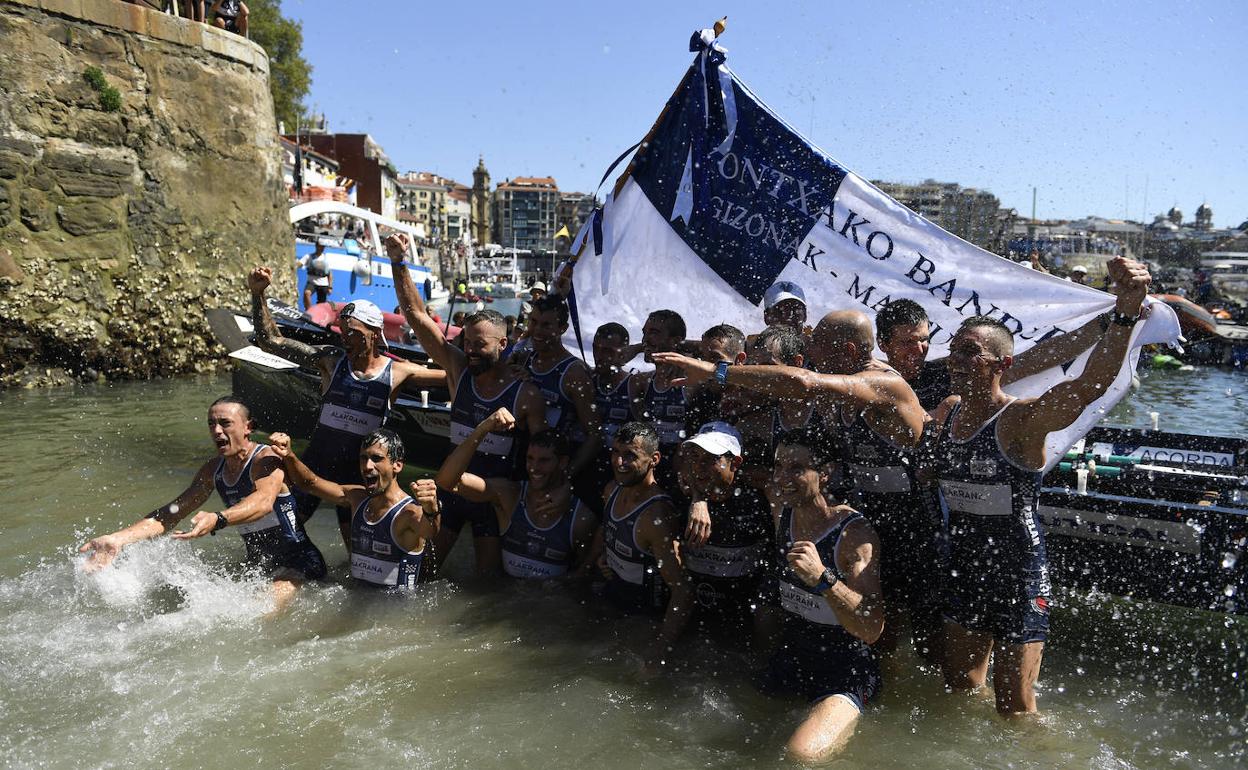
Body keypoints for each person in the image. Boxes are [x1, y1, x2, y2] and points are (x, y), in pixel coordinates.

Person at [926, 256, 1152, 715]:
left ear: (1001, 363)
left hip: (1018, 570)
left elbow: (1088, 385)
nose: (957, 359)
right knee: (960, 689)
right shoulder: (946, 411)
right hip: (964, 566)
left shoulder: (1021, 419)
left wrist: (1125, 314)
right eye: (955, 349)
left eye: (970, 351)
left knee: (1015, 707)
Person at [385, 233, 547, 577]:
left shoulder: (525, 394)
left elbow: (543, 455)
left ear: (503, 343)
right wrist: (399, 263)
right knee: (421, 577)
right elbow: (416, 315)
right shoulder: (459, 372)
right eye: (466, 342)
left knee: (488, 587)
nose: (470, 350)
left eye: (480, 344)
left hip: (494, 499)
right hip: (451, 491)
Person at [247, 268, 445, 546]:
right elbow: (271, 342)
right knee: (274, 542)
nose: (345, 338)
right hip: (312, 472)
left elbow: (457, 375)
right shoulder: (331, 361)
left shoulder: (399, 373)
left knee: (360, 557)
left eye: (353, 333)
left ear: (375, 334)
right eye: (342, 331)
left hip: (358, 481)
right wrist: (258, 294)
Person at [78, 397, 326, 613]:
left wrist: (218, 518)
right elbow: (171, 513)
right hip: (257, 566)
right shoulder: (213, 470)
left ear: (248, 427)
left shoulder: (266, 459)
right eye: (211, 424)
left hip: (300, 564)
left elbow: (262, 502)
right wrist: (119, 539)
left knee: (256, 614)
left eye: (225, 423)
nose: (216, 431)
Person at [761, 428, 883, 763]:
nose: (783, 477)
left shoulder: (853, 535)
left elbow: (872, 628)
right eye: (778, 467)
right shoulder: (779, 510)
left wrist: (823, 579)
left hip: (843, 670)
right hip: (792, 656)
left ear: (824, 473)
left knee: (801, 756)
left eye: (796, 469)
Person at [435, 409, 597, 579]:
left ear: (563, 462)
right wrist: (482, 429)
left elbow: (583, 575)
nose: (534, 468)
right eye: (530, 459)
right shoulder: (510, 495)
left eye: (544, 460)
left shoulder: (581, 518)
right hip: (503, 596)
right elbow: (447, 481)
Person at [269, 429, 440, 590]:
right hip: (356, 599)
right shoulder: (357, 498)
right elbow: (310, 483)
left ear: (397, 465)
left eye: (376, 458)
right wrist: (289, 455)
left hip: (394, 613)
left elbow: (431, 531)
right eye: (363, 458)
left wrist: (431, 509)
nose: (367, 466)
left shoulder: (409, 513)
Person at [592, 421, 691, 672]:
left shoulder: (656, 516)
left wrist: (661, 646)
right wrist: (602, 557)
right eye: (616, 452)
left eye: (630, 455)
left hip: (644, 620)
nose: (619, 462)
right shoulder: (611, 489)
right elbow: (606, 531)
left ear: (654, 459)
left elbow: (682, 592)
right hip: (613, 600)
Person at [677, 422, 773, 643]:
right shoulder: (681, 494)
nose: (699, 467)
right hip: (693, 620)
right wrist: (698, 498)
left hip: (742, 624)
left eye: (711, 459)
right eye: (695, 457)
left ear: (735, 463)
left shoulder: (760, 502)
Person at [521, 296, 602, 485]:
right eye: (533, 322)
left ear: (562, 329)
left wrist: (565, 476)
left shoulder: (574, 373)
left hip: (553, 470)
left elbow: (595, 436)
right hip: (522, 462)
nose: (538, 330)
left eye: (546, 325)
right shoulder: (523, 360)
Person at [299, 237, 333, 310]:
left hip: (323, 284)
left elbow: (329, 274)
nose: (322, 248)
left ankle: (319, 317)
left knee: (321, 304)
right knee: (307, 293)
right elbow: (300, 263)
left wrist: (330, 287)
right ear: (316, 246)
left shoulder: (326, 259)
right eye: (320, 246)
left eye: (323, 247)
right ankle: (309, 311)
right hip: (312, 283)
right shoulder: (309, 256)